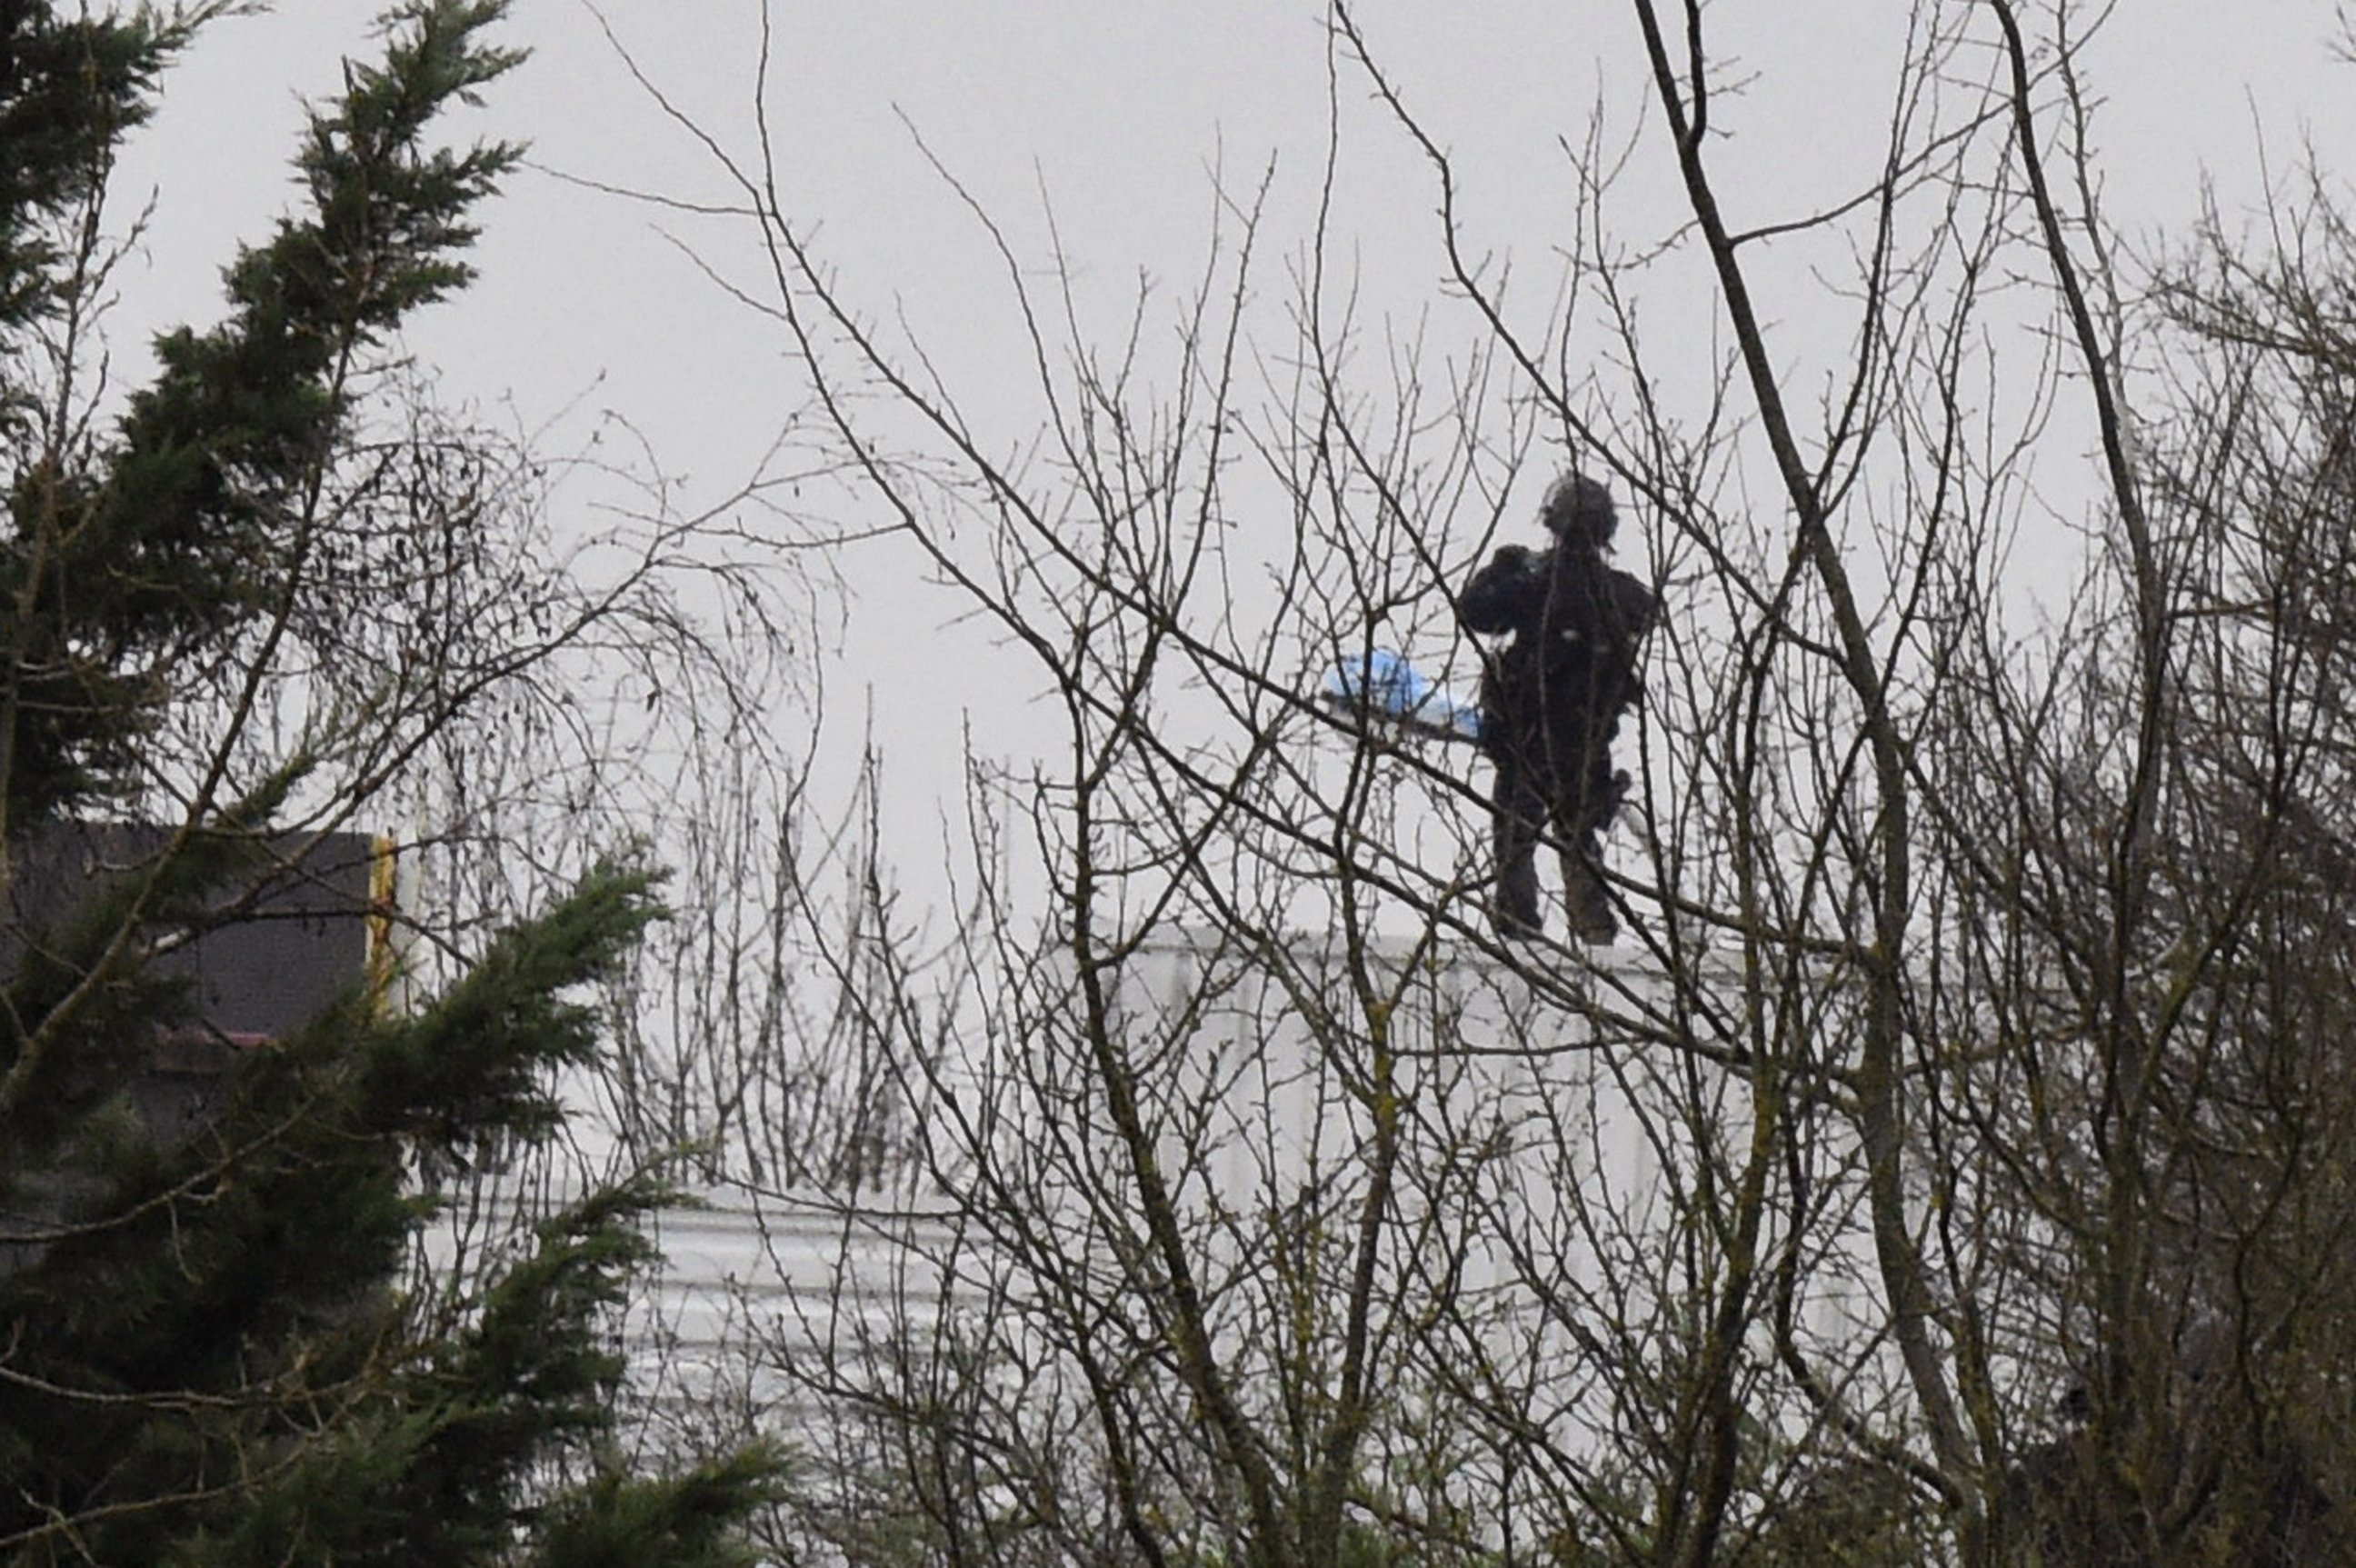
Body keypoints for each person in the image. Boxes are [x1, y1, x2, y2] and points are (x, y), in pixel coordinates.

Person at [1459, 474, 1655, 941]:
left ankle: (1520, 929)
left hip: (1530, 740)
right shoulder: (1614, 592)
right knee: (1577, 844)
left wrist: (1504, 569)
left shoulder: (1536, 583)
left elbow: (1474, 610)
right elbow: (1645, 611)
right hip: (1580, 742)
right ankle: (1592, 936)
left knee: (1517, 840)